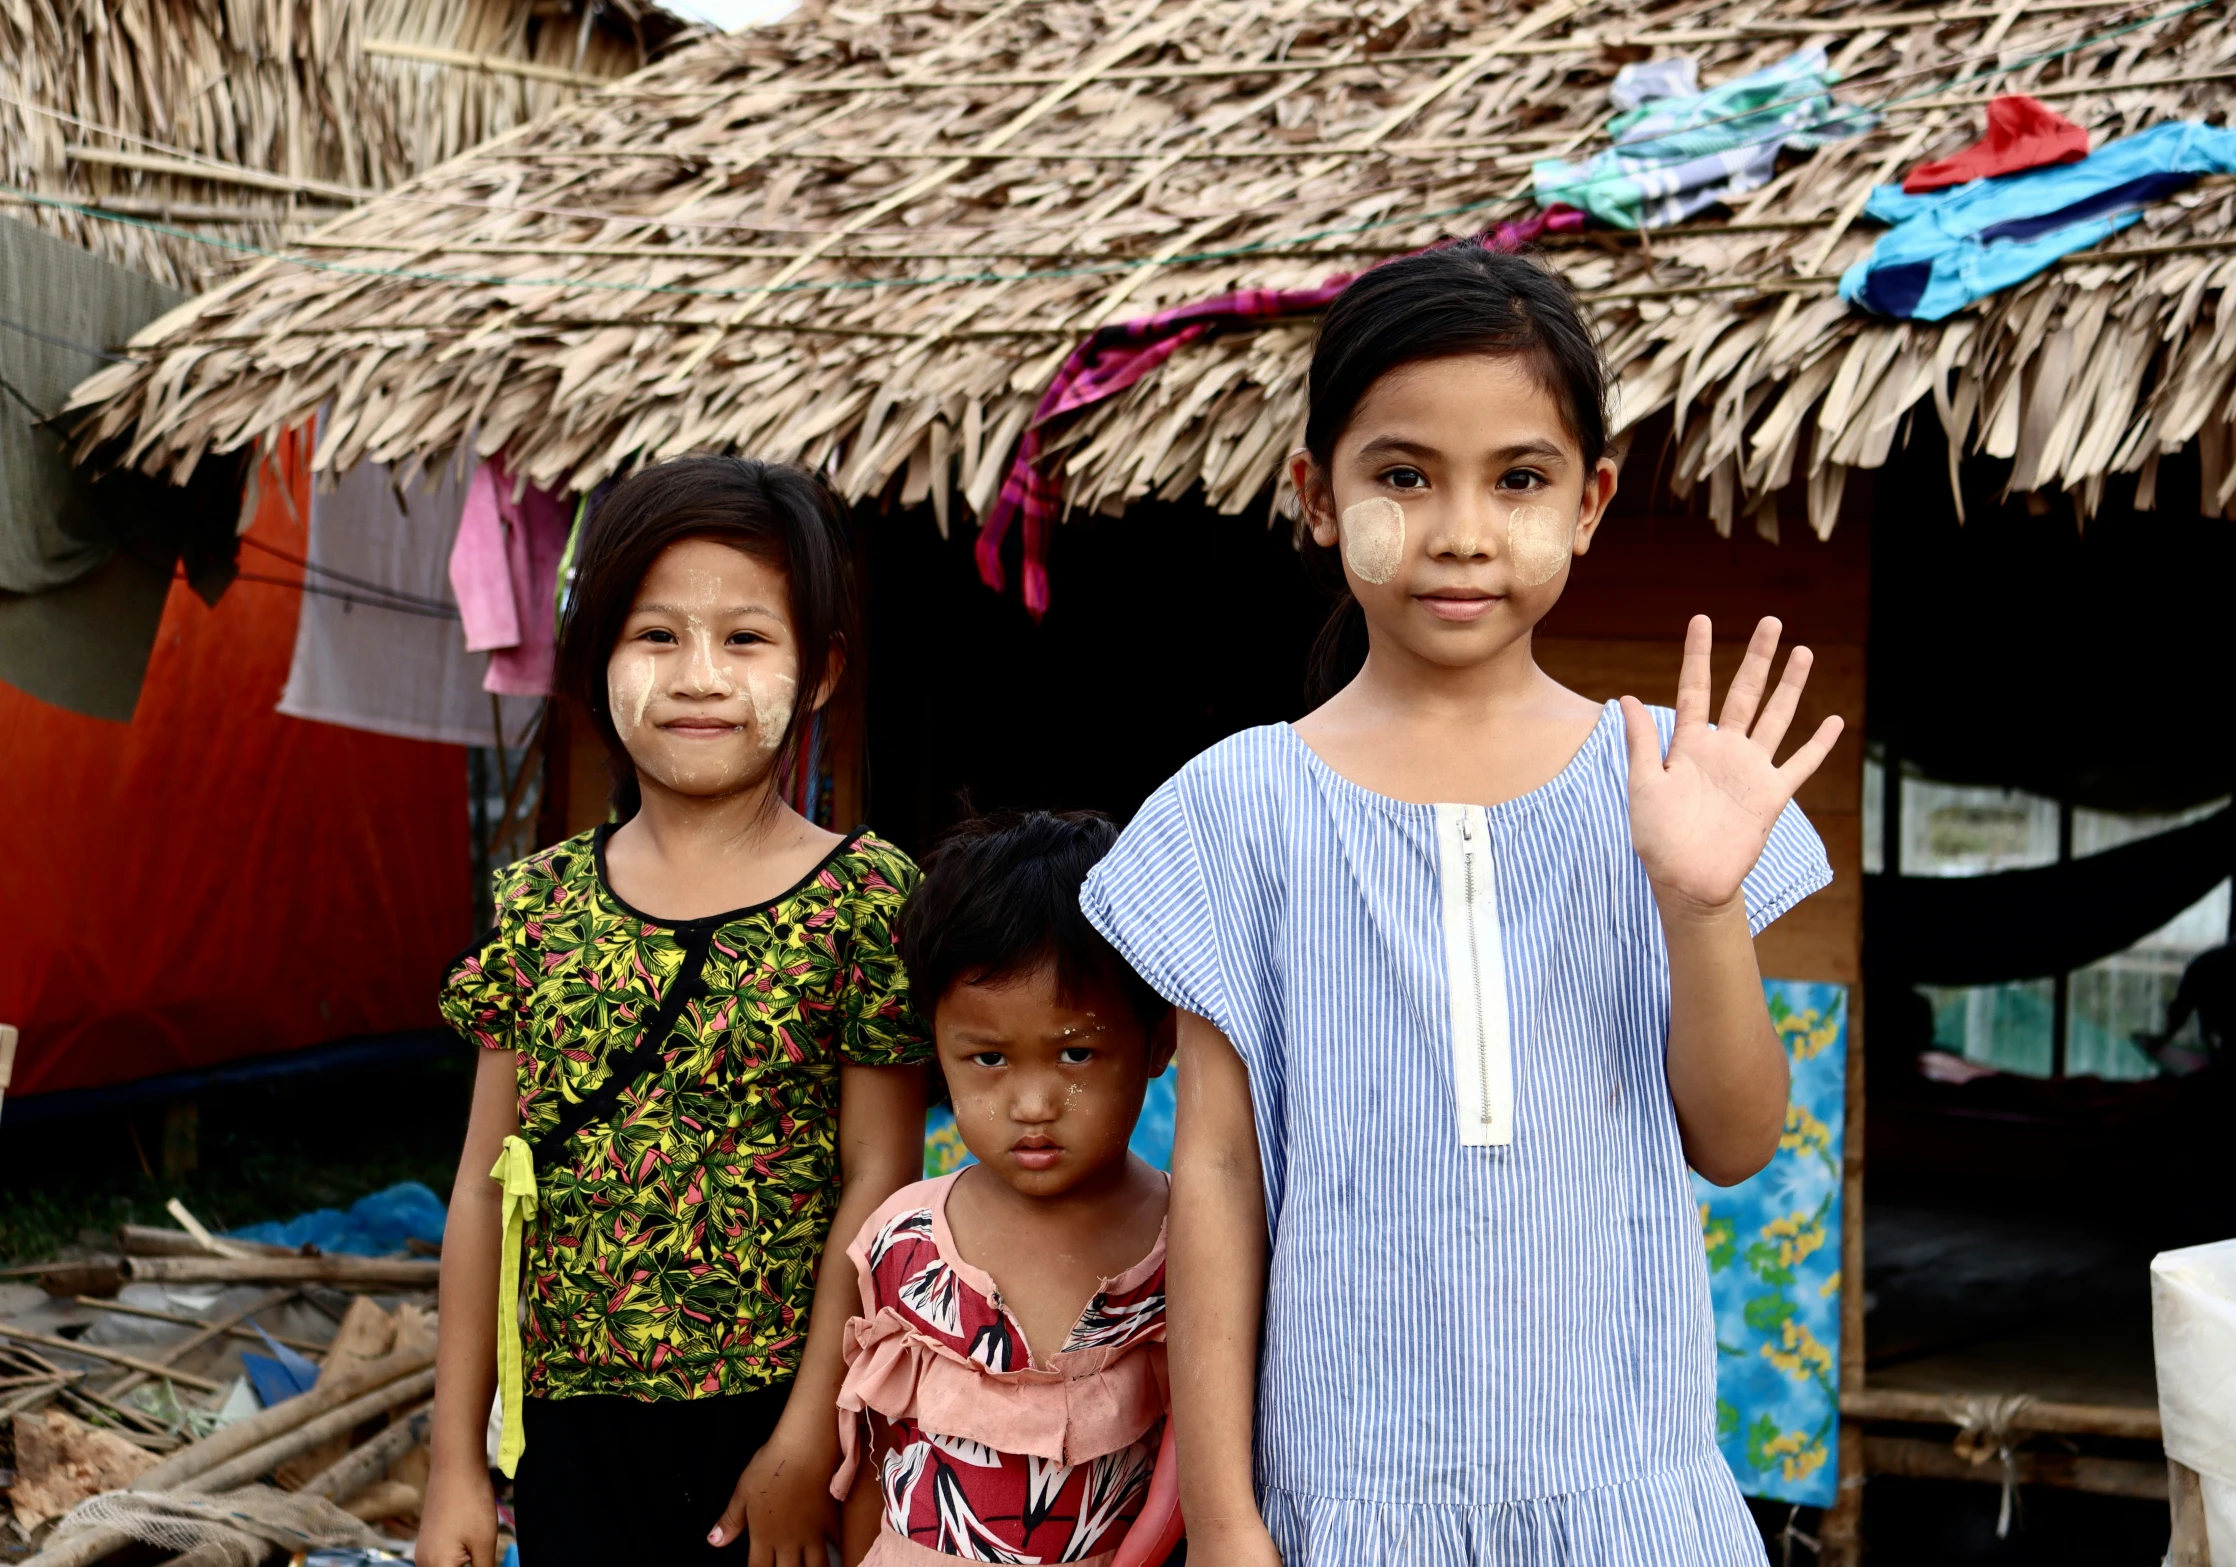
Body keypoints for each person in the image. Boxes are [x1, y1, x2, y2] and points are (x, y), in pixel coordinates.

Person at [1079, 242, 1844, 1566]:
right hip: (1348, 1497)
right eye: (1403, 475)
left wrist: (1699, 903)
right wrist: (1221, 1514)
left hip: (1627, 1498)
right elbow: (1211, 1175)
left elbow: (1733, 1140)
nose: (1460, 530)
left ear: (1592, 501)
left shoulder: (1659, 786)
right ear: (1316, 496)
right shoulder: (1240, 806)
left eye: (1520, 479)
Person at [418, 457, 933, 1567]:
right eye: (656, 637)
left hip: (778, 1420)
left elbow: (877, 1181)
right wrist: (455, 1460)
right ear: (597, 659)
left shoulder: (865, 896)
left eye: (745, 639)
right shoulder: (542, 902)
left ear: (820, 673)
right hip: (568, 1424)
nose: (699, 675)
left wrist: (807, 1436)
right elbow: (479, 1181)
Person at [830, 810, 1181, 1566]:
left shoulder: (1186, 1244)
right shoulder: (902, 1242)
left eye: (1077, 1052)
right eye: (988, 1058)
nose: (1031, 1104)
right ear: (938, 1047)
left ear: (1158, 1042)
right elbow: (871, 1451)